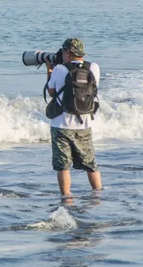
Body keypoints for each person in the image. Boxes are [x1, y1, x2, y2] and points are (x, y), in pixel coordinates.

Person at [44, 38, 102, 197]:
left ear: (68, 52)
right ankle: (98, 195)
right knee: (91, 164)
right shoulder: (94, 68)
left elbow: (51, 91)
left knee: (63, 166)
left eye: (63, 51)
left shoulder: (59, 70)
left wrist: (49, 70)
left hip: (61, 125)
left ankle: (67, 197)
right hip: (84, 124)